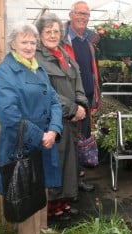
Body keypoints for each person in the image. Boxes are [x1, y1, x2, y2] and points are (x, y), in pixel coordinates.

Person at [0, 23, 62, 234]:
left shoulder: (37, 67)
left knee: (41, 197)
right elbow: (9, 116)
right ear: (13, 44)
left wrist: (54, 130)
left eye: (33, 42)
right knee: (26, 201)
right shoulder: (5, 73)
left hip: (45, 143)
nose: (29, 46)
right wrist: (41, 136)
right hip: (21, 145)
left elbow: (55, 102)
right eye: (24, 42)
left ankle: (42, 230)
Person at [35, 13, 89, 221]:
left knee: (69, 161)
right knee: (54, 161)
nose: (52, 34)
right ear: (40, 35)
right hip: (52, 120)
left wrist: (82, 105)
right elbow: (45, 91)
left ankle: (63, 201)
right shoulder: (37, 58)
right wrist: (72, 109)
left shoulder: (65, 55)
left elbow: (78, 83)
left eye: (56, 31)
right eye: (47, 31)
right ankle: (50, 207)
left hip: (71, 119)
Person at [64, 0, 99, 192]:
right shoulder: (63, 40)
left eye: (86, 15)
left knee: (81, 139)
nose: (82, 18)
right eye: (79, 13)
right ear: (71, 15)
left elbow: (90, 71)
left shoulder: (87, 41)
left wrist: (94, 97)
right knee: (69, 142)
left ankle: (77, 179)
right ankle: (70, 184)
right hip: (70, 101)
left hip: (85, 99)